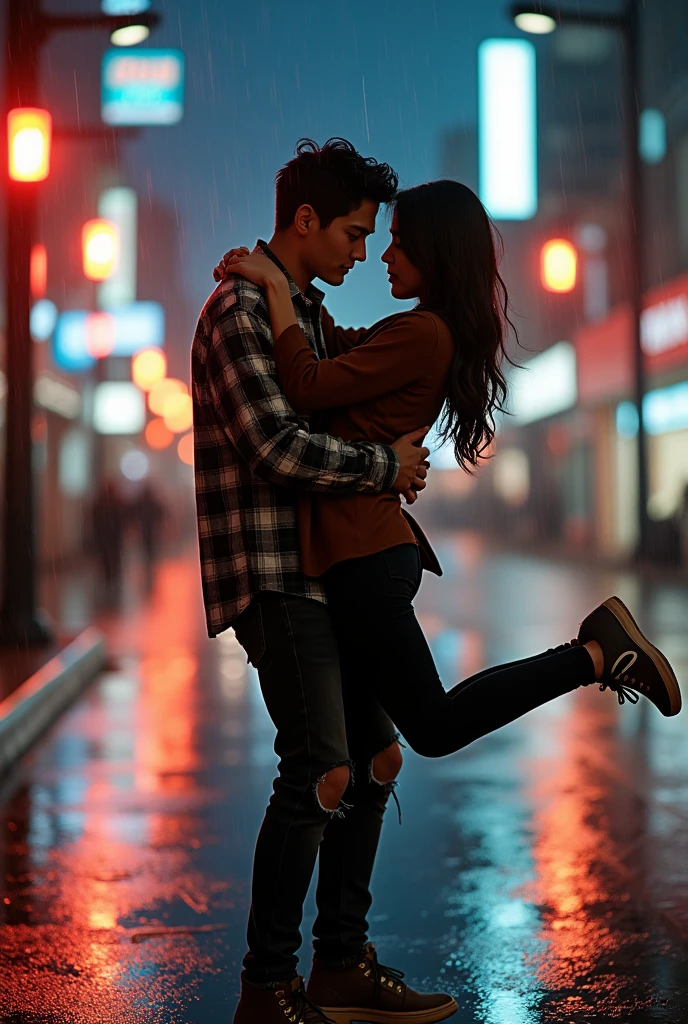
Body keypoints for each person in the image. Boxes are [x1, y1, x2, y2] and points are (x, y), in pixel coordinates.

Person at [215, 175, 682, 1023]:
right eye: (364, 236)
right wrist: (282, 290)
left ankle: (592, 652)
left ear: (431, 254)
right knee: (374, 755)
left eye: (388, 241)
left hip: (363, 556)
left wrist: (281, 295)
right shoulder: (407, 329)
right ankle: (333, 969)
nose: (375, 254)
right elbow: (326, 365)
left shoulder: (420, 332)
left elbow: (310, 386)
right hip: (348, 558)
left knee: (421, 729)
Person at [193, 138, 455, 1024]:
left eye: (372, 235)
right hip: (272, 574)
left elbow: (333, 373)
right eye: (351, 233)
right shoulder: (237, 311)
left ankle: (341, 962)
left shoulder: (293, 306)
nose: (361, 253)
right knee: (320, 770)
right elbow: (276, 443)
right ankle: (268, 985)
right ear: (304, 220)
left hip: (323, 573)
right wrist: (384, 465)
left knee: (378, 758)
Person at [90, 479, 127, 604]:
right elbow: (122, 520)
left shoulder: (100, 503)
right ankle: (112, 578)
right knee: (113, 558)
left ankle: (108, 578)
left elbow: (94, 520)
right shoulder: (117, 502)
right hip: (114, 538)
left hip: (105, 537)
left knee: (106, 558)